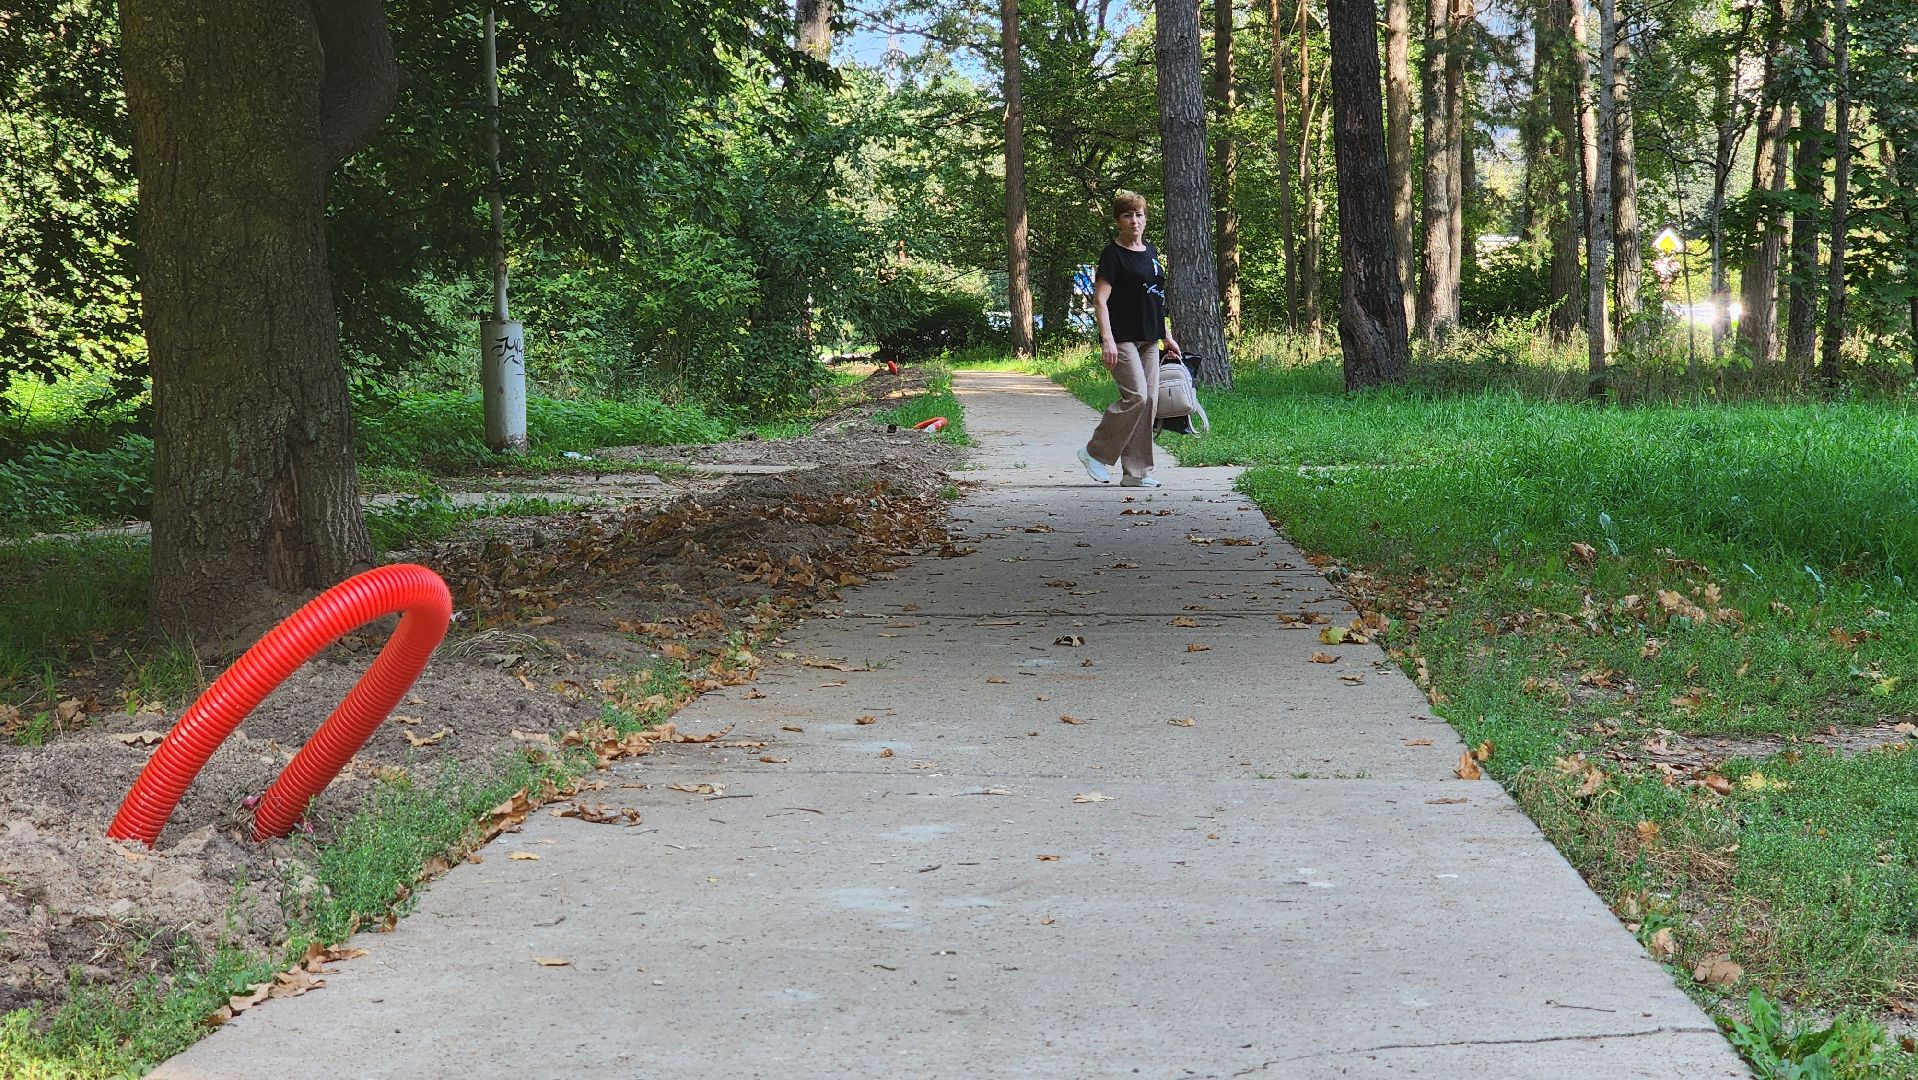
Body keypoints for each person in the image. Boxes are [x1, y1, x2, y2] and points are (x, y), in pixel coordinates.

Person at [1078, 190, 1181, 488]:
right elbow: (1100, 301)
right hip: (1122, 338)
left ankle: (1136, 473)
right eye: (1127, 215)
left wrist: (1167, 336)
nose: (1134, 220)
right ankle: (1093, 453)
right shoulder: (1112, 255)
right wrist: (1107, 340)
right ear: (1118, 221)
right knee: (1136, 396)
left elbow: (1156, 299)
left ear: (1145, 218)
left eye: (1139, 214)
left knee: (1148, 402)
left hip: (1150, 338)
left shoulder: (1150, 252)